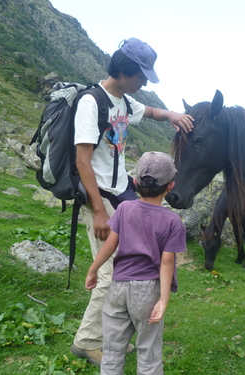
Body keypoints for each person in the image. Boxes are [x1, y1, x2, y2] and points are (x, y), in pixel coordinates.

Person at [71, 37, 193, 366]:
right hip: (100, 197)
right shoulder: (91, 102)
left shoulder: (123, 101)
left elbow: (148, 111)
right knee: (111, 272)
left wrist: (170, 115)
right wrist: (98, 211)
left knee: (125, 266)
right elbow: (83, 162)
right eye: (142, 78)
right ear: (125, 72)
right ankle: (87, 341)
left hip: (121, 189)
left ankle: (120, 326)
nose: (143, 84)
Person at [85, 151, 187, 374]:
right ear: (170, 186)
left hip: (118, 286)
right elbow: (167, 262)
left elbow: (110, 245)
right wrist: (163, 299)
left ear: (134, 182)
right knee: (148, 351)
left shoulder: (124, 208)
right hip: (148, 291)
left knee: (111, 351)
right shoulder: (173, 221)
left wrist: (93, 270)